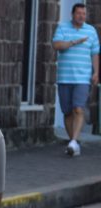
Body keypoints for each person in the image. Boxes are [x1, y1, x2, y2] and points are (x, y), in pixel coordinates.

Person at [52, 3, 99, 157]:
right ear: (72, 14)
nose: (81, 16)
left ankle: (72, 142)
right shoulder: (62, 28)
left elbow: (95, 53)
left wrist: (96, 72)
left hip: (82, 78)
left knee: (78, 108)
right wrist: (73, 42)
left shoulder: (91, 31)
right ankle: (74, 142)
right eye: (79, 13)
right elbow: (56, 45)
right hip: (64, 77)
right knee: (67, 112)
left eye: (84, 14)